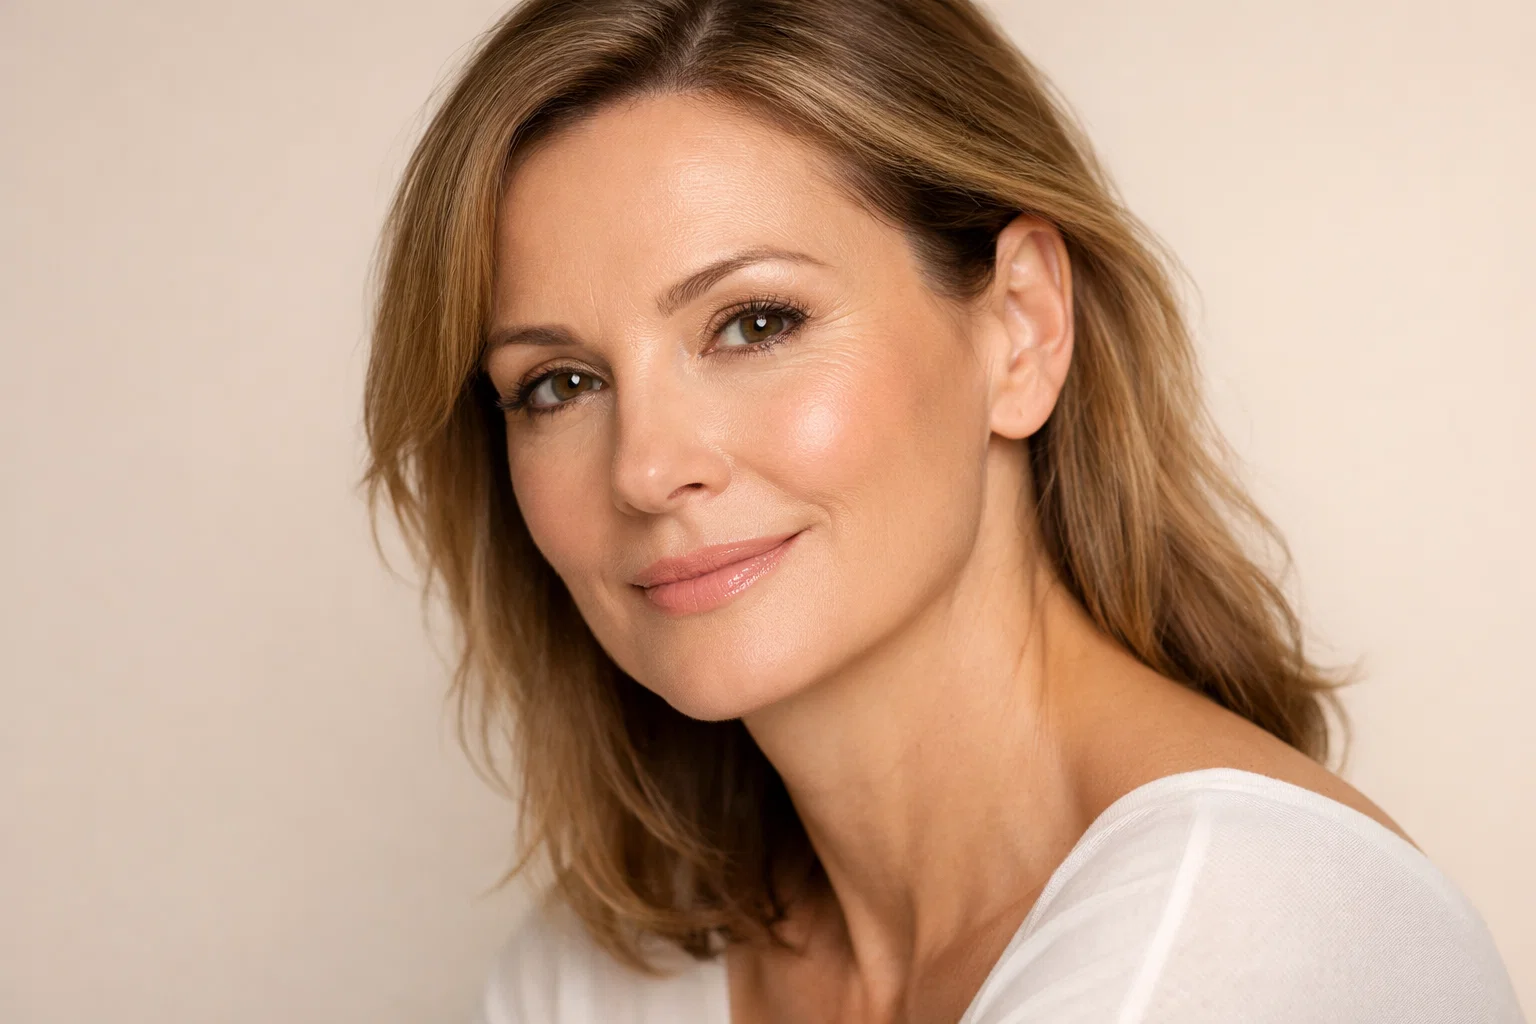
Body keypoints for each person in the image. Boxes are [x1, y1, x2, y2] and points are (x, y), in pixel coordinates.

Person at [362, 0, 1525, 1020]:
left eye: (755, 322)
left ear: (1018, 326)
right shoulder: (596, 974)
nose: (647, 469)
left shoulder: (1249, 931)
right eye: (558, 384)